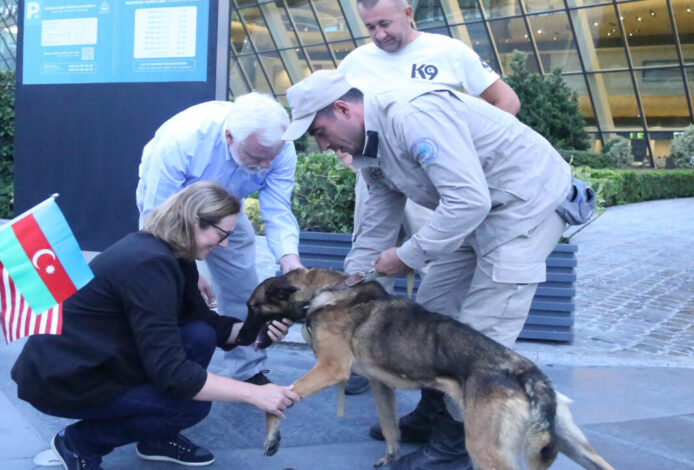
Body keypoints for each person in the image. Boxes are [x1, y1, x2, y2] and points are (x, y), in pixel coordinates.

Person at [281, 70, 572, 469]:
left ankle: (454, 451)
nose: (322, 144)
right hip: (470, 211)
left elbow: (468, 201)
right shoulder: (370, 148)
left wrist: (407, 255)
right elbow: (376, 225)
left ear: (343, 108)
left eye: (318, 130)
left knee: (481, 331)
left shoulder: (412, 116)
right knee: (430, 313)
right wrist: (350, 285)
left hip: (524, 205)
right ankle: (436, 414)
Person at [11, 182, 300, 470]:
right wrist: (254, 393)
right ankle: (78, 443)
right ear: (194, 221)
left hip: (103, 357)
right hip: (65, 379)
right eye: (221, 234)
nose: (223, 244)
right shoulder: (148, 264)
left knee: (200, 335)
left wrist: (254, 331)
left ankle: (155, 438)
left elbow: (203, 321)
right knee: (190, 405)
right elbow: (173, 373)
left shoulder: (174, 254)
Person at [337, 0, 521, 396]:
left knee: (435, 264)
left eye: (384, 23)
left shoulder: (450, 52)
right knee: (367, 254)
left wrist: (478, 159)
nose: (378, 34)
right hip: (378, 174)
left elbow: (506, 101)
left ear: (407, 11)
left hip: (439, 182)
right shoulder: (354, 63)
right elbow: (340, 116)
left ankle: (427, 367)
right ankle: (363, 352)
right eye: (369, 27)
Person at [136, 92, 304, 387]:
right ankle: (162, 362)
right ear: (229, 137)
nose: (266, 165)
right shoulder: (181, 140)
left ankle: (249, 367)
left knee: (243, 284)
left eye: (271, 157)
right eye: (256, 157)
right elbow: (156, 218)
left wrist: (290, 261)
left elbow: (278, 211)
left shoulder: (279, 147)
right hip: (173, 207)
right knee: (167, 284)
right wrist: (188, 268)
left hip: (229, 206)